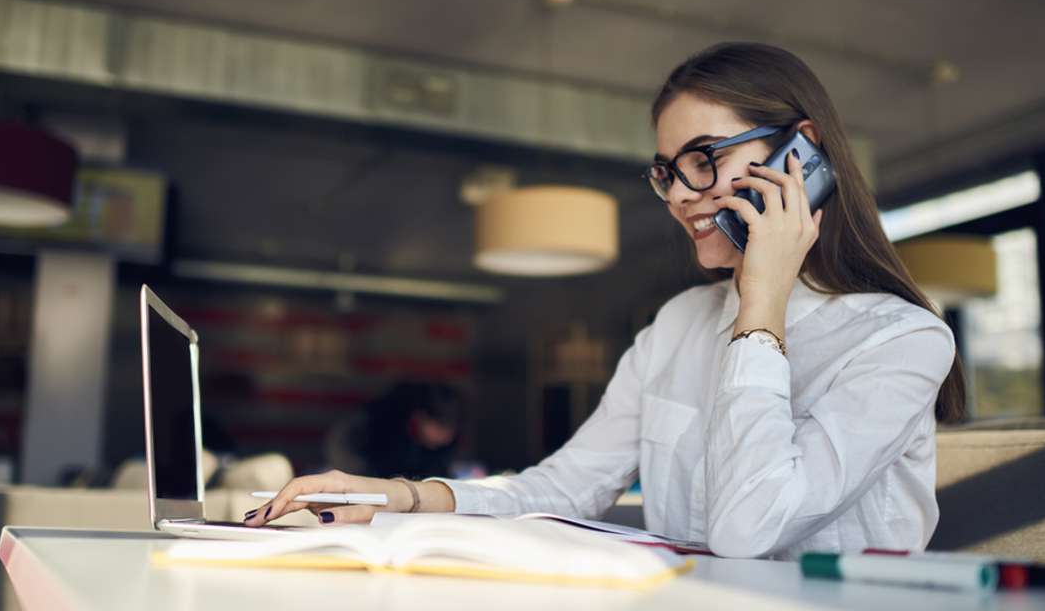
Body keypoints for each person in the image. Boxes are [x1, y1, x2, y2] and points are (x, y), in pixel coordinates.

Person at [245, 42, 964, 559]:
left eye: (704, 160)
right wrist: (393, 494)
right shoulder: (679, 324)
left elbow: (752, 531)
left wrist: (762, 303)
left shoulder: (902, 341)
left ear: (802, 154)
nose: (682, 195)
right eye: (667, 173)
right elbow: (567, 485)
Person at [322, 380, 463, 480]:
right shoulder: (378, 425)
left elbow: (439, 476)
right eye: (440, 427)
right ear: (419, 417)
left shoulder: (442, 445)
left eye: (451, 429)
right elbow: (347, 459)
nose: (446, 437)